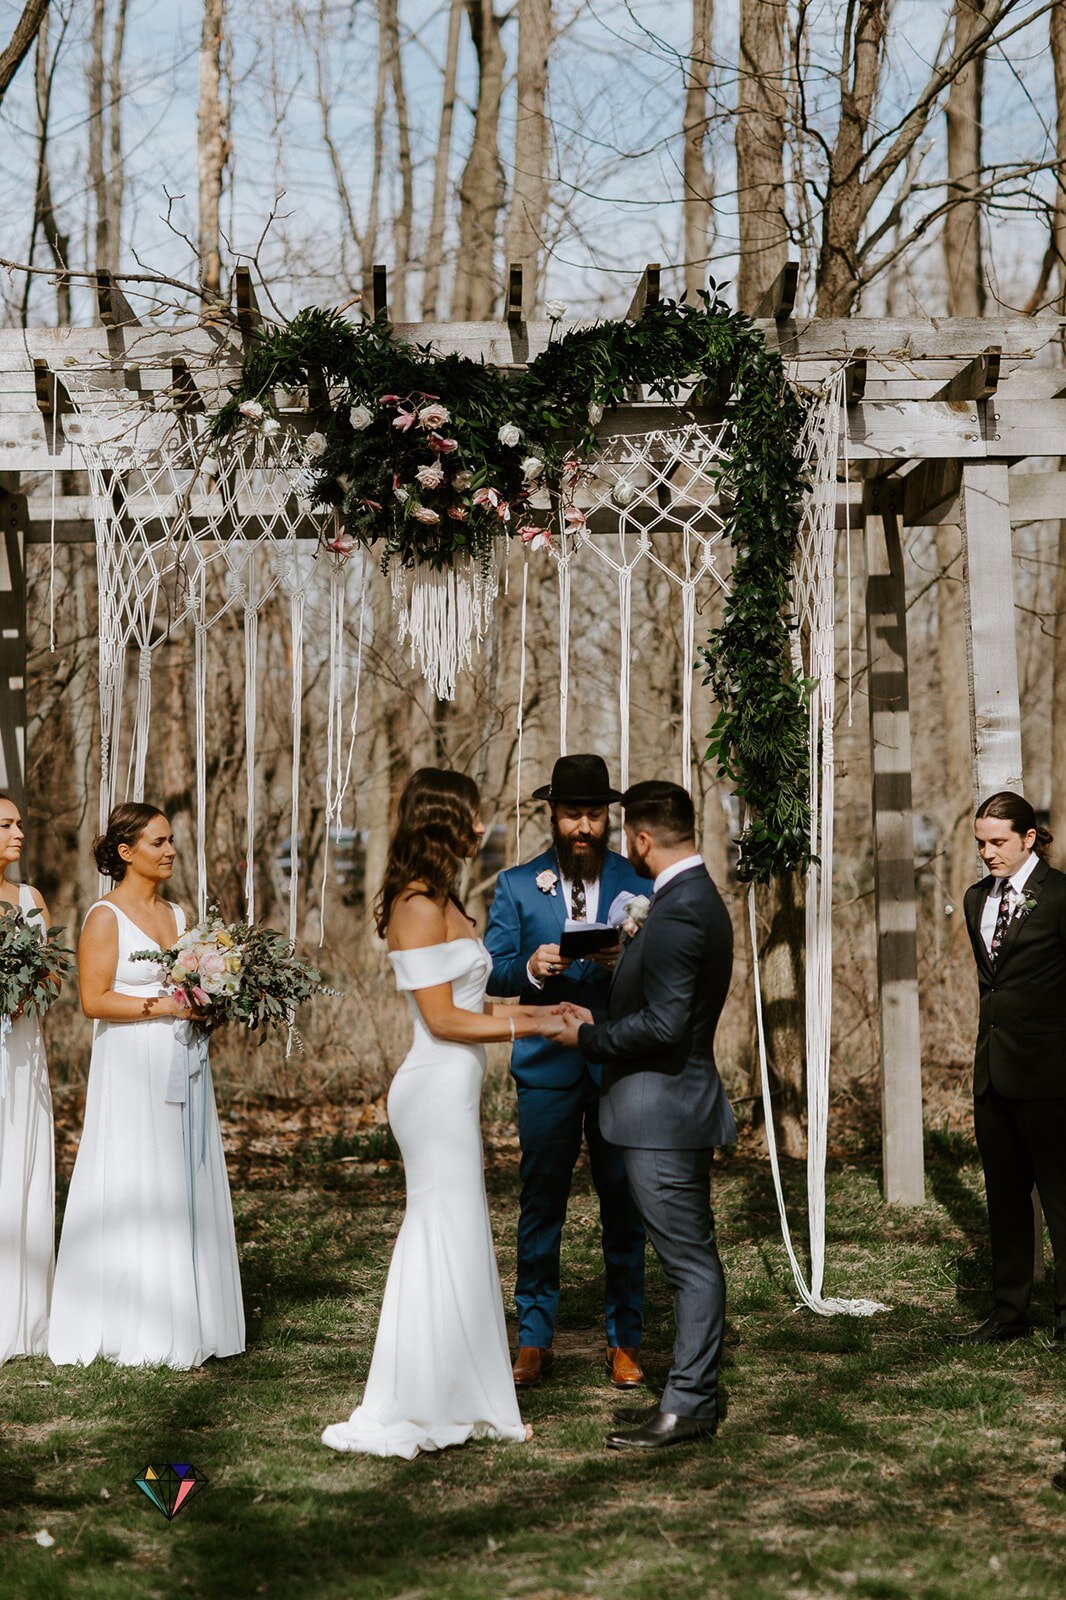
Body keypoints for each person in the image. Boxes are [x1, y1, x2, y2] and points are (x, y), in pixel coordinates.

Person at [322, 768, 566, 1459]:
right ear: (442, 822)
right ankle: (421, 1396)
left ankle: (466, 1390)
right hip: (430, 1092)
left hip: (456, 1089)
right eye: (472, 816)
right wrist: (535, 1030)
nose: (482, 828)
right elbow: (443, 1019)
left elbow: (475, 1004)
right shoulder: (414, 905)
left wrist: (543, 1010)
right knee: (440, 1229)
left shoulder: (448, 899)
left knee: (460, 1233)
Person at [557, 780, 736, 1450]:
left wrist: (588, 1038)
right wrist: (626, 957)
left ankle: (690, 1405)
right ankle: (689, 1397)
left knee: (688, 1261)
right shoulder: (684, 901)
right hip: (665, 1108)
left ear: (640, 839)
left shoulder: (682, 909)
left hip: (664, 1111)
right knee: (689, 1258)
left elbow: (665, 1025)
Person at [47, 803, 244, 1369]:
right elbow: (93, 1000)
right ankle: (135, 1319)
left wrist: (210, 1004)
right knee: (140, 1173)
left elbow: (199, 985)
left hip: (185, 1061)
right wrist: (171, 1005)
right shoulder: (104, 917)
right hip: (131, 1066)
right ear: (126, 852)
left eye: (172, 840)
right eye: (157, 842)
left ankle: (196, 1314)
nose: (170, 850)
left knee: (186, 1172)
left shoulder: (181, 917)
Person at [484, 753, 647, 1391]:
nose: (584, 826)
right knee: (541, 1202)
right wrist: (531, 968)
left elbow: (664, 973)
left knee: (623, 1204)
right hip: (546, 1068)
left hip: (617, 1067)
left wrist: (620, 962)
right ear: (552, 815)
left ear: (608, 817)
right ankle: (533, 1338)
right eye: (572, 813)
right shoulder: (517, 885)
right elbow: (492, 971)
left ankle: (625, 1338)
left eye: (595, 814)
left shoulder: (640, 881)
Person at [950, 791, 1066, 1346]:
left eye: (997, 842)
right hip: (992, 1074)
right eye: (980, 843)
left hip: (1051, 1076)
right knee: (1004, 1195)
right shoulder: (976, 899)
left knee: (1062, 1197)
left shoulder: (1062, 897)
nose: (987, 853)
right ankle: (1009, 1314)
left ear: (1028, 837)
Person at [0, 795, 57, 1366]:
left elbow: (54, 978)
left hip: (23, 1049)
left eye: (19, 824)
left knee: (24, 1163)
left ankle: (26, 1319)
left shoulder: (30, 900)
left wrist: (29, 984)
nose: (19, 834)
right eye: (6, 825)